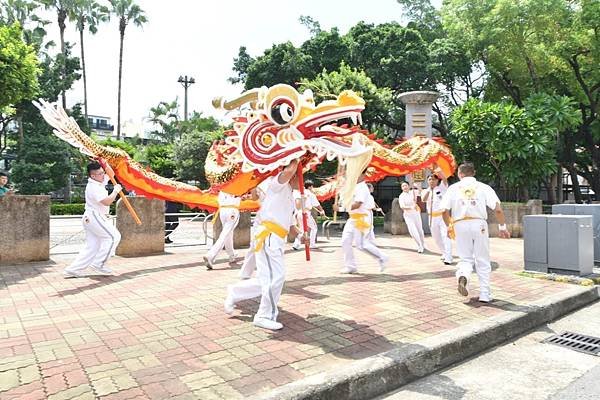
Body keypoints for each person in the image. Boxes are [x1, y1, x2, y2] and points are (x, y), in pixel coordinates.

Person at [224, 159, 303, 330]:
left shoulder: (288, 193)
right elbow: (288, 171)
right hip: (269, 237)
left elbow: (289, 225)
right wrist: (298, 152)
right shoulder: (277, 183)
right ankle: (264, 315)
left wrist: (301, 236)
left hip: (276, 239)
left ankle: (235, 292)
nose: (301, 179)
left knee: (265, 279)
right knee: (276, 277)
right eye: (300, 175)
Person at [440, 162, 511, 303]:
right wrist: (502, 227)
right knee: (482, 259)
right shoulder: (484, 187)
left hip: (460, 224)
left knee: (465, 258)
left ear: (460, 174)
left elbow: (444, 211)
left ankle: (463, 275)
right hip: (479, 224)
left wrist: (449, 226)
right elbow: (497, 209)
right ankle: (485, 294)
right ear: (474, 173)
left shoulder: (453, 188)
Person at [63, 161, 122, 278]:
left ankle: (73, 269)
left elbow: (111, 173)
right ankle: (99, 263)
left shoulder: (99, 181)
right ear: (93, 176)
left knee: (92, 246)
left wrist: (103, 161)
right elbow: (107, 201)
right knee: (113, 237)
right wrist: (115, 191)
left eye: (102, 172)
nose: (103, 175)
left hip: (92, 217)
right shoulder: (93, 186)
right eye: (100, 173)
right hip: (94, 216)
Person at [340, 171, 389, 274]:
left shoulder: (362, 187)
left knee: (361, 245)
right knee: (345, 241)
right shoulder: (353, 187)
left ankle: (382, 257)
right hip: (352, 218)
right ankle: (350, 266)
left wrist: (341, 208)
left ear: (363, 175)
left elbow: (357, 204)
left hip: (362, 219)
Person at [239, 176, 273, 279]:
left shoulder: (276, 178)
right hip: (263, 217)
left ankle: (263, 273)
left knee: (268, 245)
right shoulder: (259, 180)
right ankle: (247, 272)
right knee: (255, 244)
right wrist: (252, 189)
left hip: (274, 217)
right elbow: (255, 197)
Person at [421, 172, 453, 265]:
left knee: (445, 236)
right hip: (432, 217)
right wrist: (429, 190)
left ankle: (448, 257)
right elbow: (423, 199)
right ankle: (444, 252)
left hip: (442, 216)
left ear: (437, 180)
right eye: (430, 179)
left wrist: (438, 170)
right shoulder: (425, 190)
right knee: (436, 237)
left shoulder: (442, 188)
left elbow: (445, 179)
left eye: (434, 179)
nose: (431, 181)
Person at [204, 191, 241, 270]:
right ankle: (210, 255)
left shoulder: (223, 184)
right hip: (232, 210)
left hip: (223, 211)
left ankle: (232, 254)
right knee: (225, 234)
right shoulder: (237, 184)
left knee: (227, 234)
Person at [292, 180, 326, 250]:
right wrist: (322, 211)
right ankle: (312, 244)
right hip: (305, 212)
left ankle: (296, 244)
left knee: (301, 229)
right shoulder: (309, 193)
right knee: (314, 228)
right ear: (310, 187)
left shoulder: (299, 192)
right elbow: (317, 204)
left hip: (298, 213)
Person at [399, 181, 426, 253]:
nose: (405, 187)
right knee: (412, 231)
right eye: (403, 186)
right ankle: (419, 245)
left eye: (406, 185)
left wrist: (417, 186)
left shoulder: (413, 192)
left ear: (408, 186)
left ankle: (423, 244)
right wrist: (411, 207)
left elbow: (422, 191)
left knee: (420, 230)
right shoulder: (401, 196)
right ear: (401, 188)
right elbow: (402, 206)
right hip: (408, 215)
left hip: (416, 213)